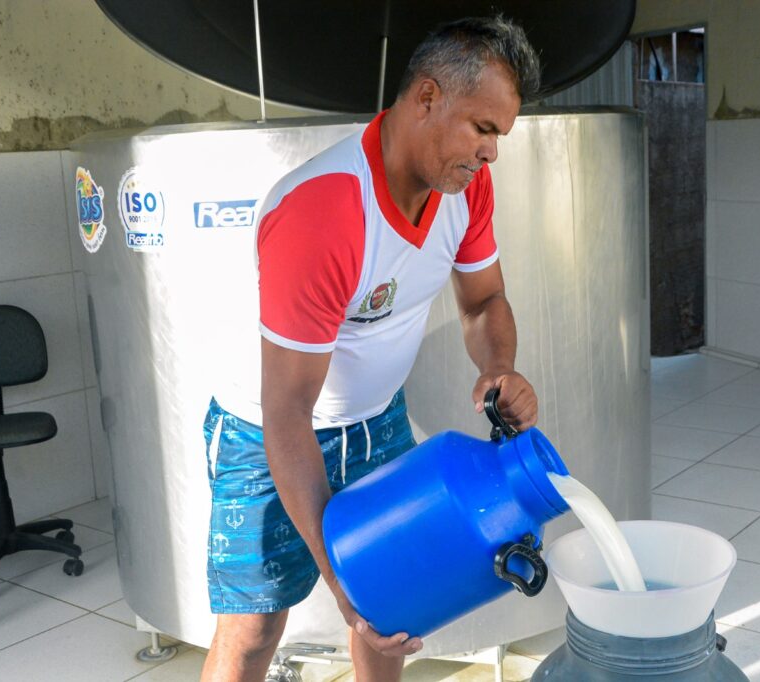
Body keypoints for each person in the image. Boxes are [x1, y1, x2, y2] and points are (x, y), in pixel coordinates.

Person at [200, 15, 542, 682]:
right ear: (426, 98)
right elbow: (288, 411)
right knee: (254, 628)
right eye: (484, 129)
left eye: (499, 135)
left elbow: (482, 303)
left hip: (376, 417)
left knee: (391, 608)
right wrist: (341, 581)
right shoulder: (324, 215)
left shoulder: (465, 188)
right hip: (267, 431)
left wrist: (498, 366)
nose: (491, 153)